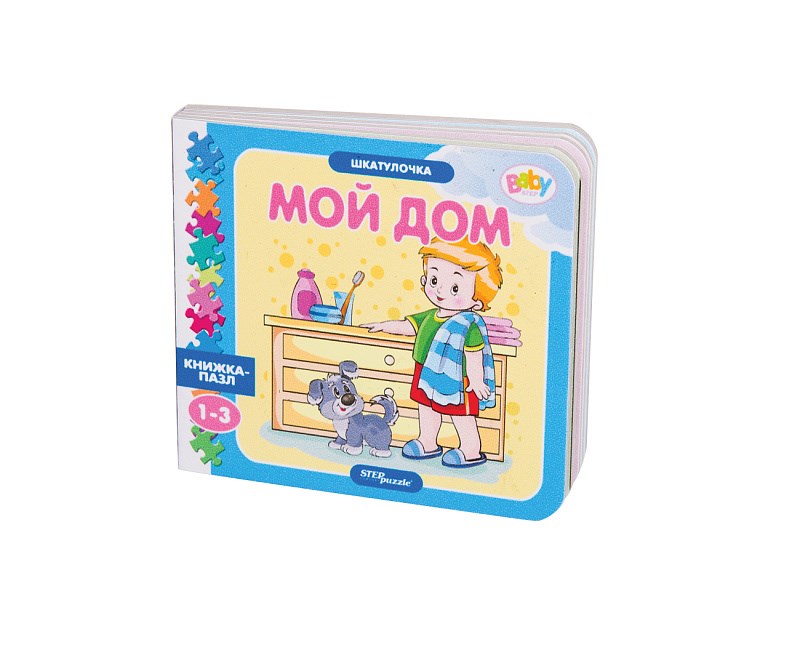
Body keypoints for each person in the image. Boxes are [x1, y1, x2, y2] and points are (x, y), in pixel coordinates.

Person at [362, 237, 502, 467]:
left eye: (455, 287)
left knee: (460, 414)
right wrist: (384, 325)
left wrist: (477, 380)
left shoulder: (467, 324)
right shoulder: (430, 316)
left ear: (477, 302)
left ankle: (470, 449)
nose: (440, 290)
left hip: (460, 378)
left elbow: (474, 353)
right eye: (434, 279)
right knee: (426, 407)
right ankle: (427, 441)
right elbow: (408, 326)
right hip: (426, 371)